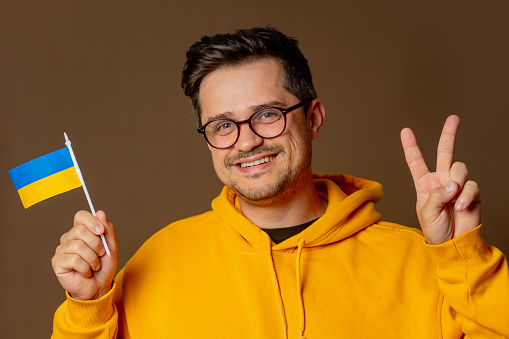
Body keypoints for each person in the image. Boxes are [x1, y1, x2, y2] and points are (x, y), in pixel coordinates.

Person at [51, 27, 509, 338]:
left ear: (313, 118)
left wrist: (462, 257)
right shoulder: (157, 261)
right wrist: (88, 307)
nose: (246, 141)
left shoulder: (423, 262)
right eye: (222, 125)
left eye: (268, 115)